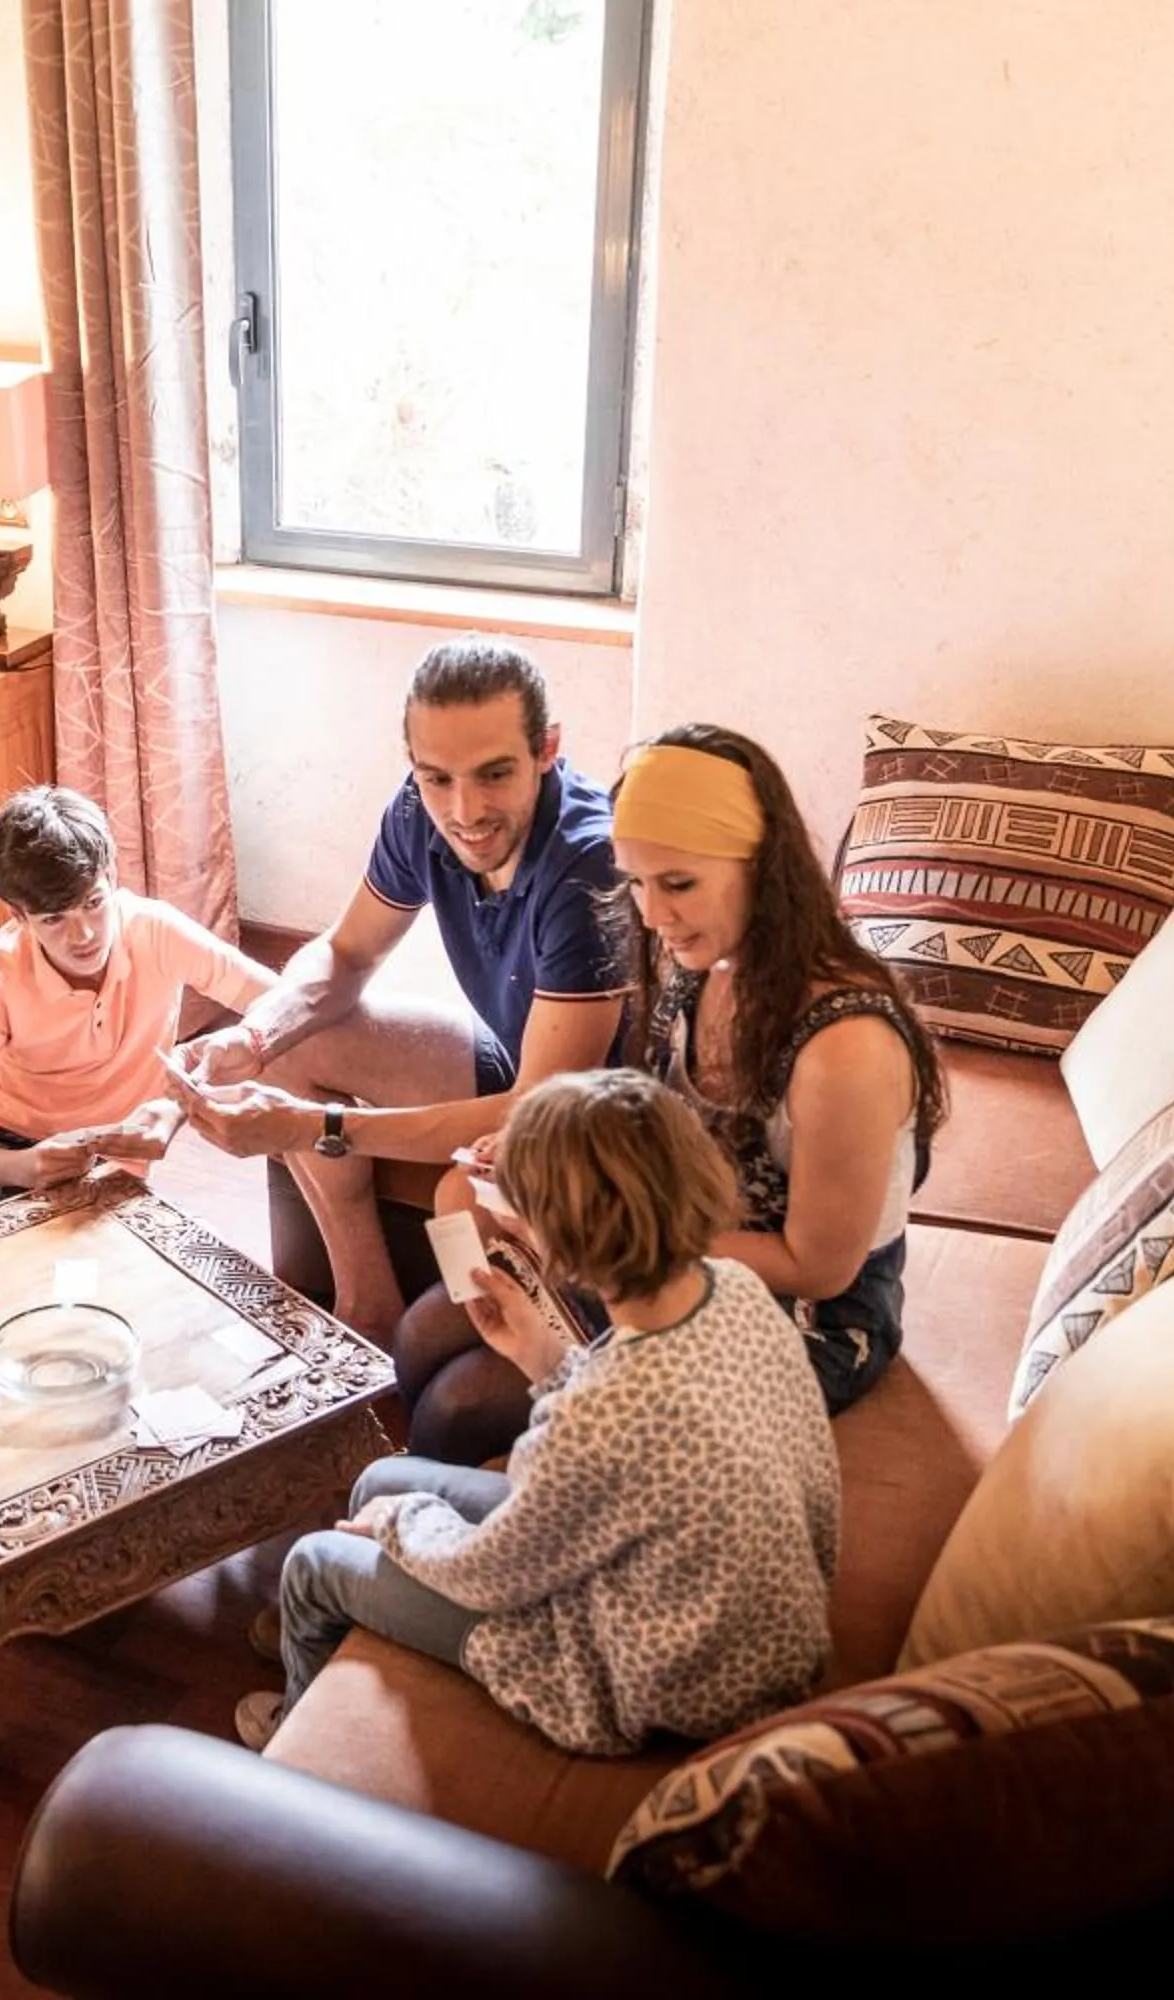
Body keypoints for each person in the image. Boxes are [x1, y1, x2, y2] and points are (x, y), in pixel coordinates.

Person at [235, 1069, 837, 1755]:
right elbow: (633, 1442)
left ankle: (294, 1746)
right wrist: (542, 1356)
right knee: (377, 1478)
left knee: (315, 1563)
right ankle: (353, 1632)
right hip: (755, 1637)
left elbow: (490, 1574)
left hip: (653, 1687)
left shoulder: (595, 1419)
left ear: (564, 1237)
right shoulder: (732, 1289)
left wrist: (401, 1524)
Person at [392, 723, 947, 1461]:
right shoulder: (701, 958)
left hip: (803, 1316)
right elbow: (657, 1115)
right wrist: (541, 1156)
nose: (652, 915)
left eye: (679, 883)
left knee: (463, 1409)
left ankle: (485, 1550)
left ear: (762, 868)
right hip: (677, 1245)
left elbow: (819, 1267)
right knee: (423, 1332)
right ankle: (444, 1527)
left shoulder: (845, 1048)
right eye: (636, 883)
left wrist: (611, 1249)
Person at [165, 639, 627, 1337]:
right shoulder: (420, 810)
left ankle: (473, 1340)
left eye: (494, 774)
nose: (464, 809)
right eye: (436, 777)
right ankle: (366, 1309)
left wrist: (315, 1127)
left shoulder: (588, 867)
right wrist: (252, 1035)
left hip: (593, 1124)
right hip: (515, 1067)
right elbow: (346, 953)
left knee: (454, 1200)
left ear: (547, 749)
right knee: (288, 1039)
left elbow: (538, 1109)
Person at [0, 786, 275, 1206]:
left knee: (113, 1269)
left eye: (94, 902)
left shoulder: (156, 932)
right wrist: (28, 1165)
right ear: (18, 915)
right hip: (12, 1151)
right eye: (54, 919)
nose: (83, 935)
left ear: (112, 877)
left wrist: (183, 1102)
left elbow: (277, 1004)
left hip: (115, 1158)